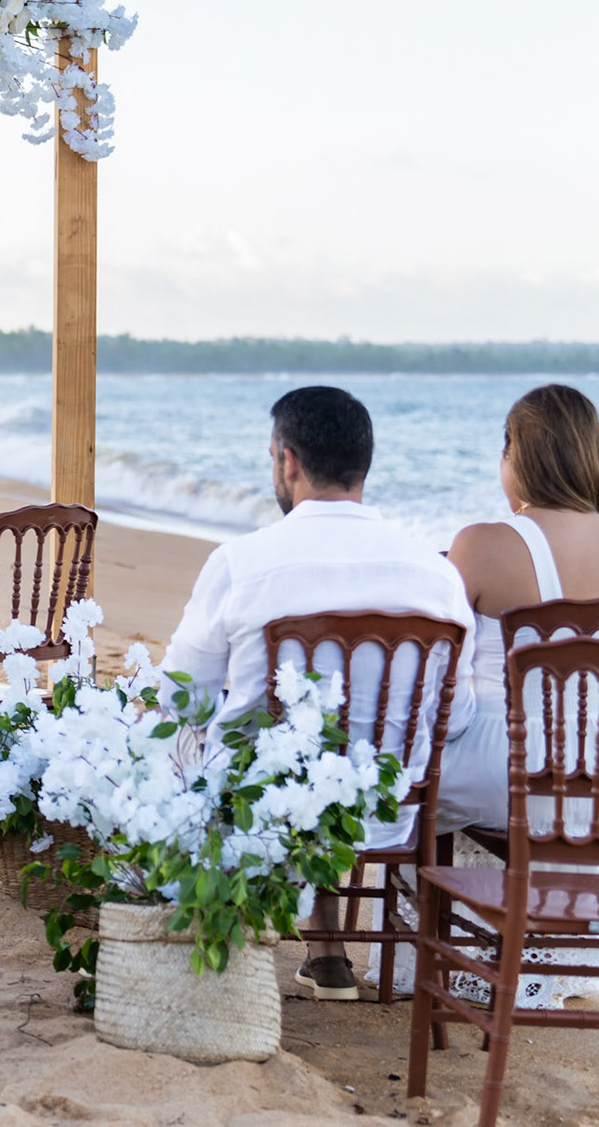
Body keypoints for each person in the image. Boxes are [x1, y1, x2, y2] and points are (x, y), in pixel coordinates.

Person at [159, 385, 476, 1002]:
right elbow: (456, 717)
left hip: (262, 809)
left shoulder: (242, 562)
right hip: (394, 810)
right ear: (364, 465)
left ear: (288, 461)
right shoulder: (437, 575)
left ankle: (213, 935)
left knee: (212, 737)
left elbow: (180, 696)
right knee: (331, 749)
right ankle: (328, 949)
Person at [412, 383, 599, 1008]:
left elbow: (440, 667)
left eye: (507, 444)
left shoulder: (483, 542)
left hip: (510, 765)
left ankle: (453, 933)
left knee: (404, 778)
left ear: (522, 453)